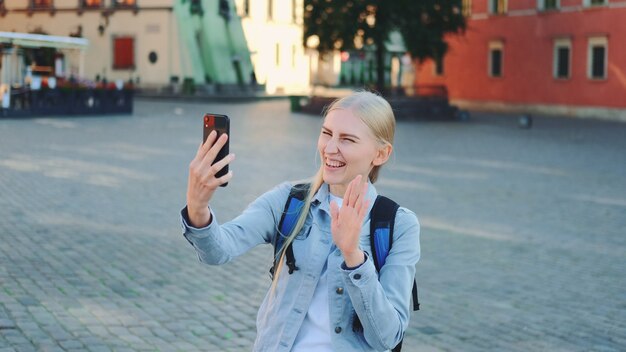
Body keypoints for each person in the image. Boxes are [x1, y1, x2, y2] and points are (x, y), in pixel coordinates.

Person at [181, 91, 420, 352]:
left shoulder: (398, 226)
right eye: (327, 133)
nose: (330, 148)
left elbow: (388, 337)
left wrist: (353, 256)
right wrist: (198, 206)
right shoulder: (288, 201)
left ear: (381, 154)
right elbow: (218, 251)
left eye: (347, 139)